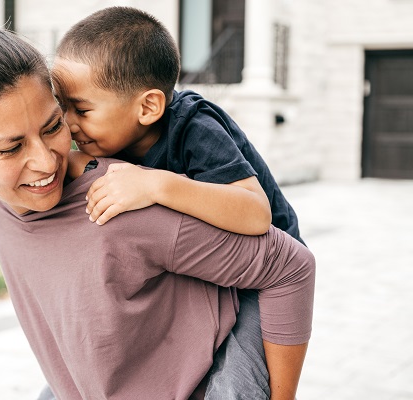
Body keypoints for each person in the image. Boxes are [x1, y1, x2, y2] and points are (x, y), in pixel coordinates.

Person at [0, 12, 315, 400]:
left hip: (260, 264)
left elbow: (268, 233)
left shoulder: (185, 140)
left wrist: (158, 185)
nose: (47, 159)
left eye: (56, 125)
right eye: (10, 148)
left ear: (147, 107)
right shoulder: (0, 203)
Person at [48, 6, 307, 399]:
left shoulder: (194, 126)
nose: (67, 123)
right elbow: (68, 165)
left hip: (261, 278)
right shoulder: (106, 135)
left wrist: (157, 185)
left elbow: (256, 213)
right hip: (199, 270)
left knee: (233, 386)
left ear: (148, 107)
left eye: (81, 109)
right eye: (62, 107)